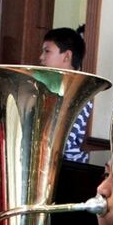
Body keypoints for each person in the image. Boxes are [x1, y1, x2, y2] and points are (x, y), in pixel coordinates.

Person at [39, 27, 92, 163]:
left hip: (67, 169)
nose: (41, 57)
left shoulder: (80, 94)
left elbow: (62, 143)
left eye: (47, 51)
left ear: (67, 56)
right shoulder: (47, 89)